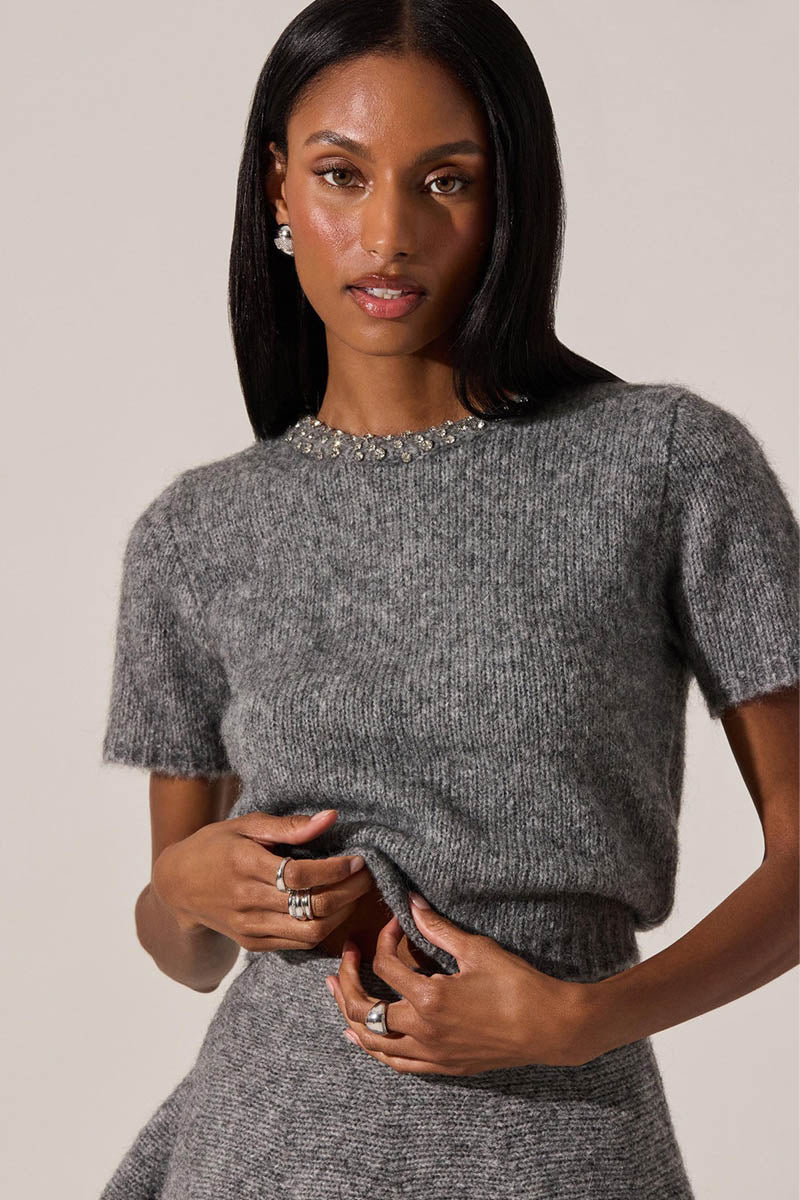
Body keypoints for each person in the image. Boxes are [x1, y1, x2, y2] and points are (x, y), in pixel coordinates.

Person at [98, 1, 799, 1197]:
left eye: (444, 181)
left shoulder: (665, 464)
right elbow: (189, 953)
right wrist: (179, 888)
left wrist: (582, 1019)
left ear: (507, 198)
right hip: (257, 1148)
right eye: (340, 175)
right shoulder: (194, 531)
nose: (387, 234)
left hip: (562, 1149)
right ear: (277, 188)